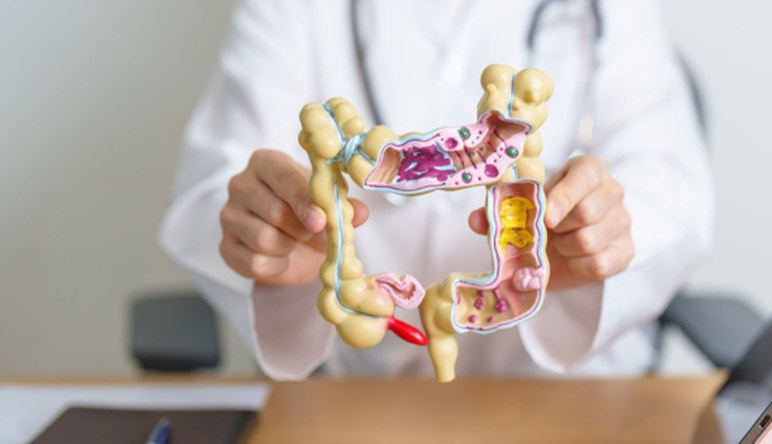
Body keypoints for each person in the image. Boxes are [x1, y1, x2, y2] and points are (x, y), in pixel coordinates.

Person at [160, 0, 713, 380]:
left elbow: (673, 189)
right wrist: (264, 235)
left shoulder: (609, 12)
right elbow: (218, 186)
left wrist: (608, 229)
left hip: (574, 405)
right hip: (356, 404)